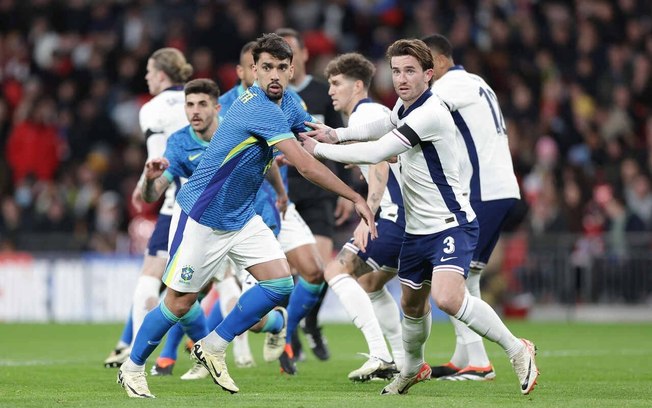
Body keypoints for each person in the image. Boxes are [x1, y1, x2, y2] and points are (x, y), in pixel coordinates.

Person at [116, 33, 376, 398]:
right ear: (253, 70)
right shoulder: (255, 106)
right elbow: (303, 162)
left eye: (281, 68)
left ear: (291, 70)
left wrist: (365, 145)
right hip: (205, 215)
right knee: (179, 301)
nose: (274, 75)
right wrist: (355, 195)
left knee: (280, 284)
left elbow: (317, 136)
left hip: (242, 214)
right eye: (266, 67)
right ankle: (132, 368)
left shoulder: (288, 102)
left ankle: (214, 344)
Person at [300, 38, 539, 396]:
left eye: (410, 70)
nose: (401, 78)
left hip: (451, 223)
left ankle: (517, 349)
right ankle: (411, 368)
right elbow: (381, 127)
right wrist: (337, 133)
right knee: (411, 304)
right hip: (416, 229)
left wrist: (319, 149)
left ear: (430, 74)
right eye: (396, 71)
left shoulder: (432, 110)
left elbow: (382, 148)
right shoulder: (404, 106)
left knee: (448, 297)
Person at [422, 33, 522, 381]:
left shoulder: (451, 85)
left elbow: (412, 117)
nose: (422, 74)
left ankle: (479, 362)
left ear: (440, 61)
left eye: (424, 65)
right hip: (498, 188)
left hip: (483, 191)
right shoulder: (475, 83)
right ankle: (464, 356)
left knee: (451, 277)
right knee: (469, 273)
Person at [104, 47, 193, 368]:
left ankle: (137, 350)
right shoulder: (200, 99)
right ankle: (132, 345)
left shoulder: (152, 108)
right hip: (216, 194)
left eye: (148, 71)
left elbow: (157, 163)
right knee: (182, 279)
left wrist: (144, 189)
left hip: (179, 201)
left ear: (161, 74)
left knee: (160, 275)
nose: (145, 77)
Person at [321, 52, 405, 381]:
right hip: (406, 215)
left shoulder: (364, 115)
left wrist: (365, 214)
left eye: (336, 83)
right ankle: (400, 360)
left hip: (392, 214)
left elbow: (382, 163)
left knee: (336, 268)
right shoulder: (376, 114)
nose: (331, 90)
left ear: (358, 85)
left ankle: (380, 353)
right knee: (370, 283)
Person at [276, 28, 353, 362]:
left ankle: (308, 323)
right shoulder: (270, 98)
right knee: (290, 271)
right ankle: (289, 337)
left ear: (304, 55)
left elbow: (340, 141)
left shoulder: (324, 93)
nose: (285, 62)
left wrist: (344, 191)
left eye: (291, 52)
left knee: (319, 269)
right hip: (284, 191)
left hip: (320, 189)